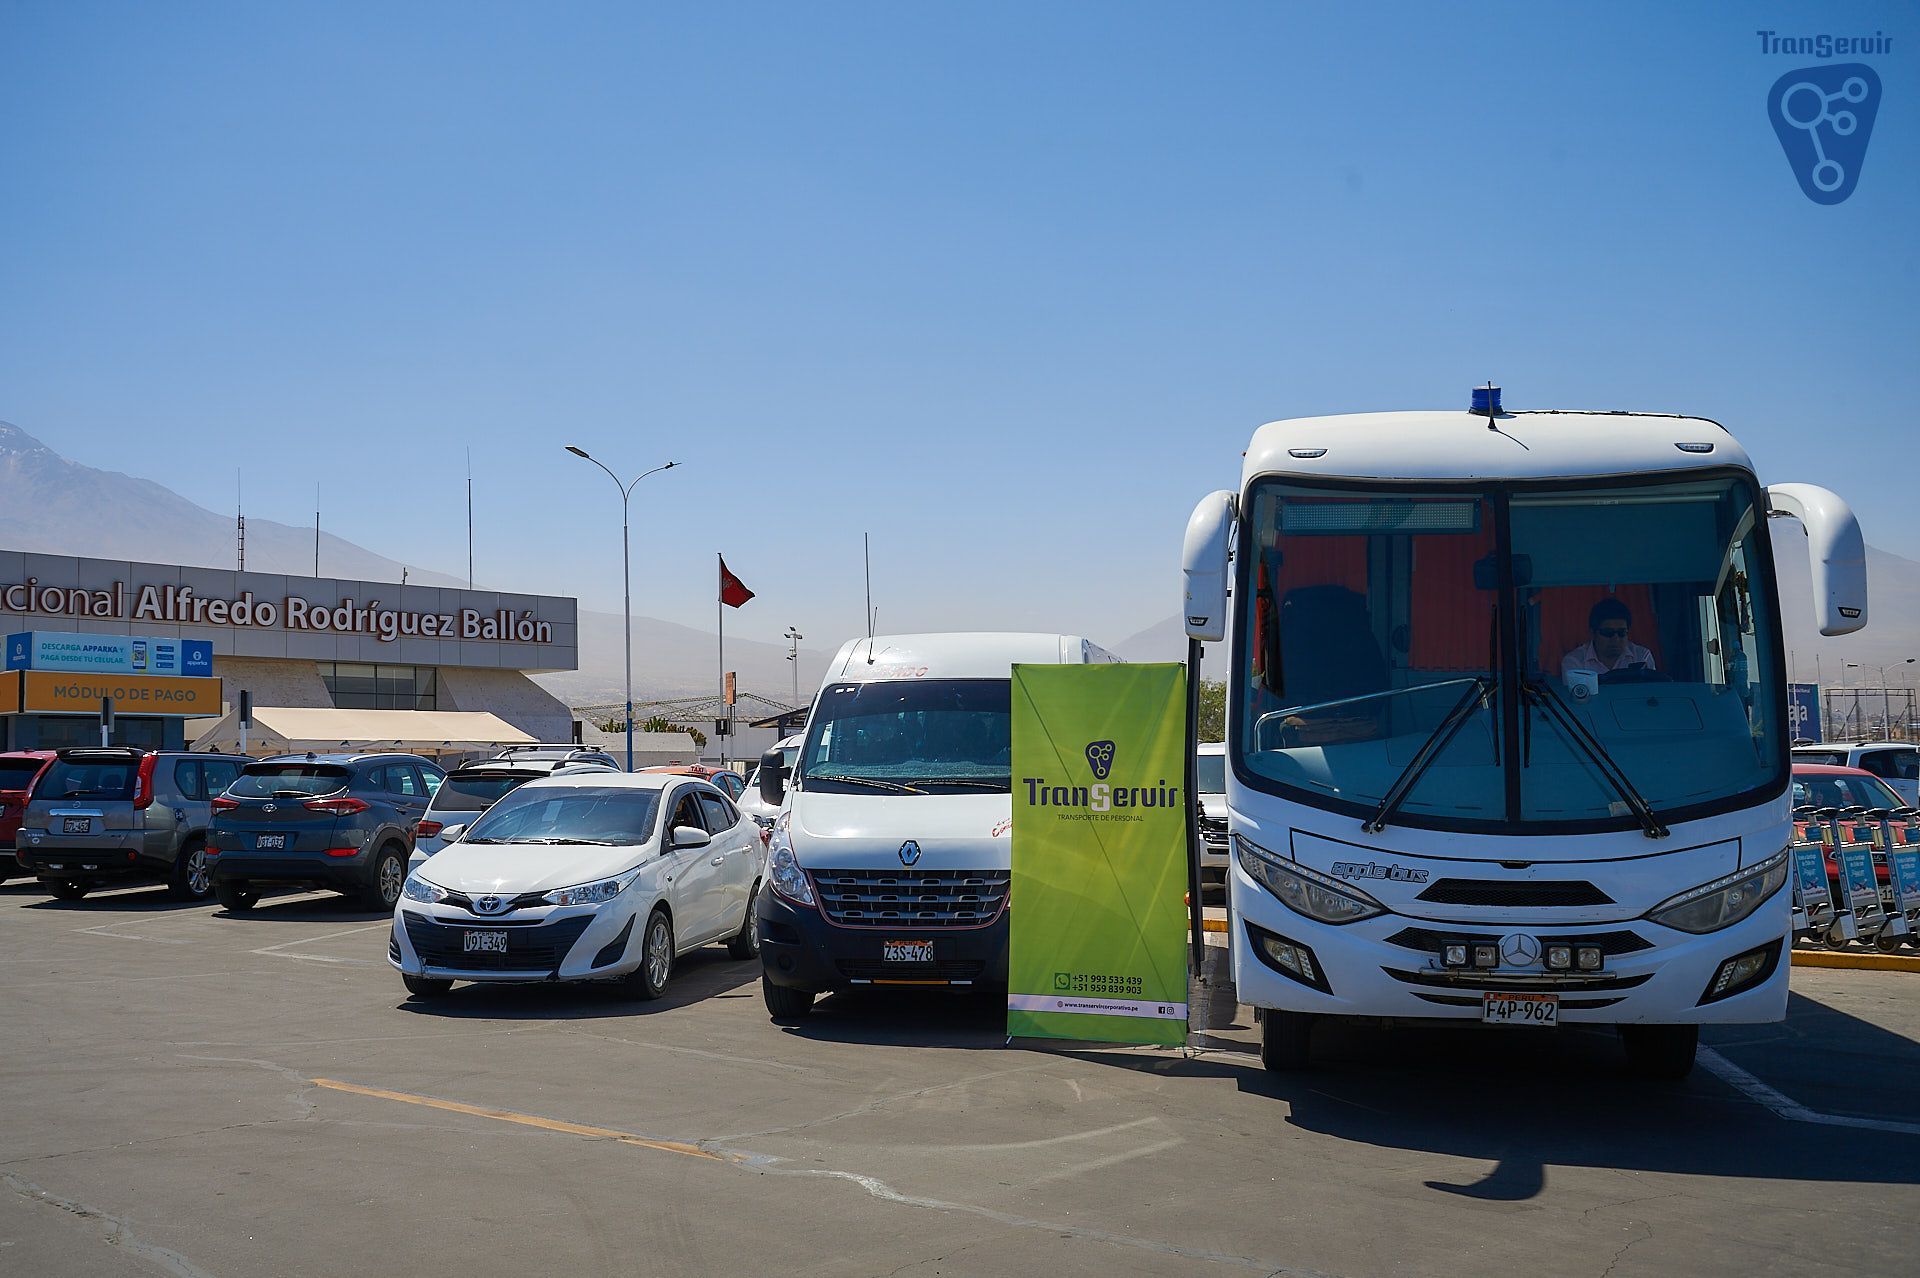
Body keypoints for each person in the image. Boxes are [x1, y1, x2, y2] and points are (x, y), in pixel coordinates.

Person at [1561, 597, 1656, 679]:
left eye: (1621, 633)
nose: (1616, 639)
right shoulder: (1574, 662)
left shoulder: (1642, 657)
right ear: (1592, 633)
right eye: (1608, 633)